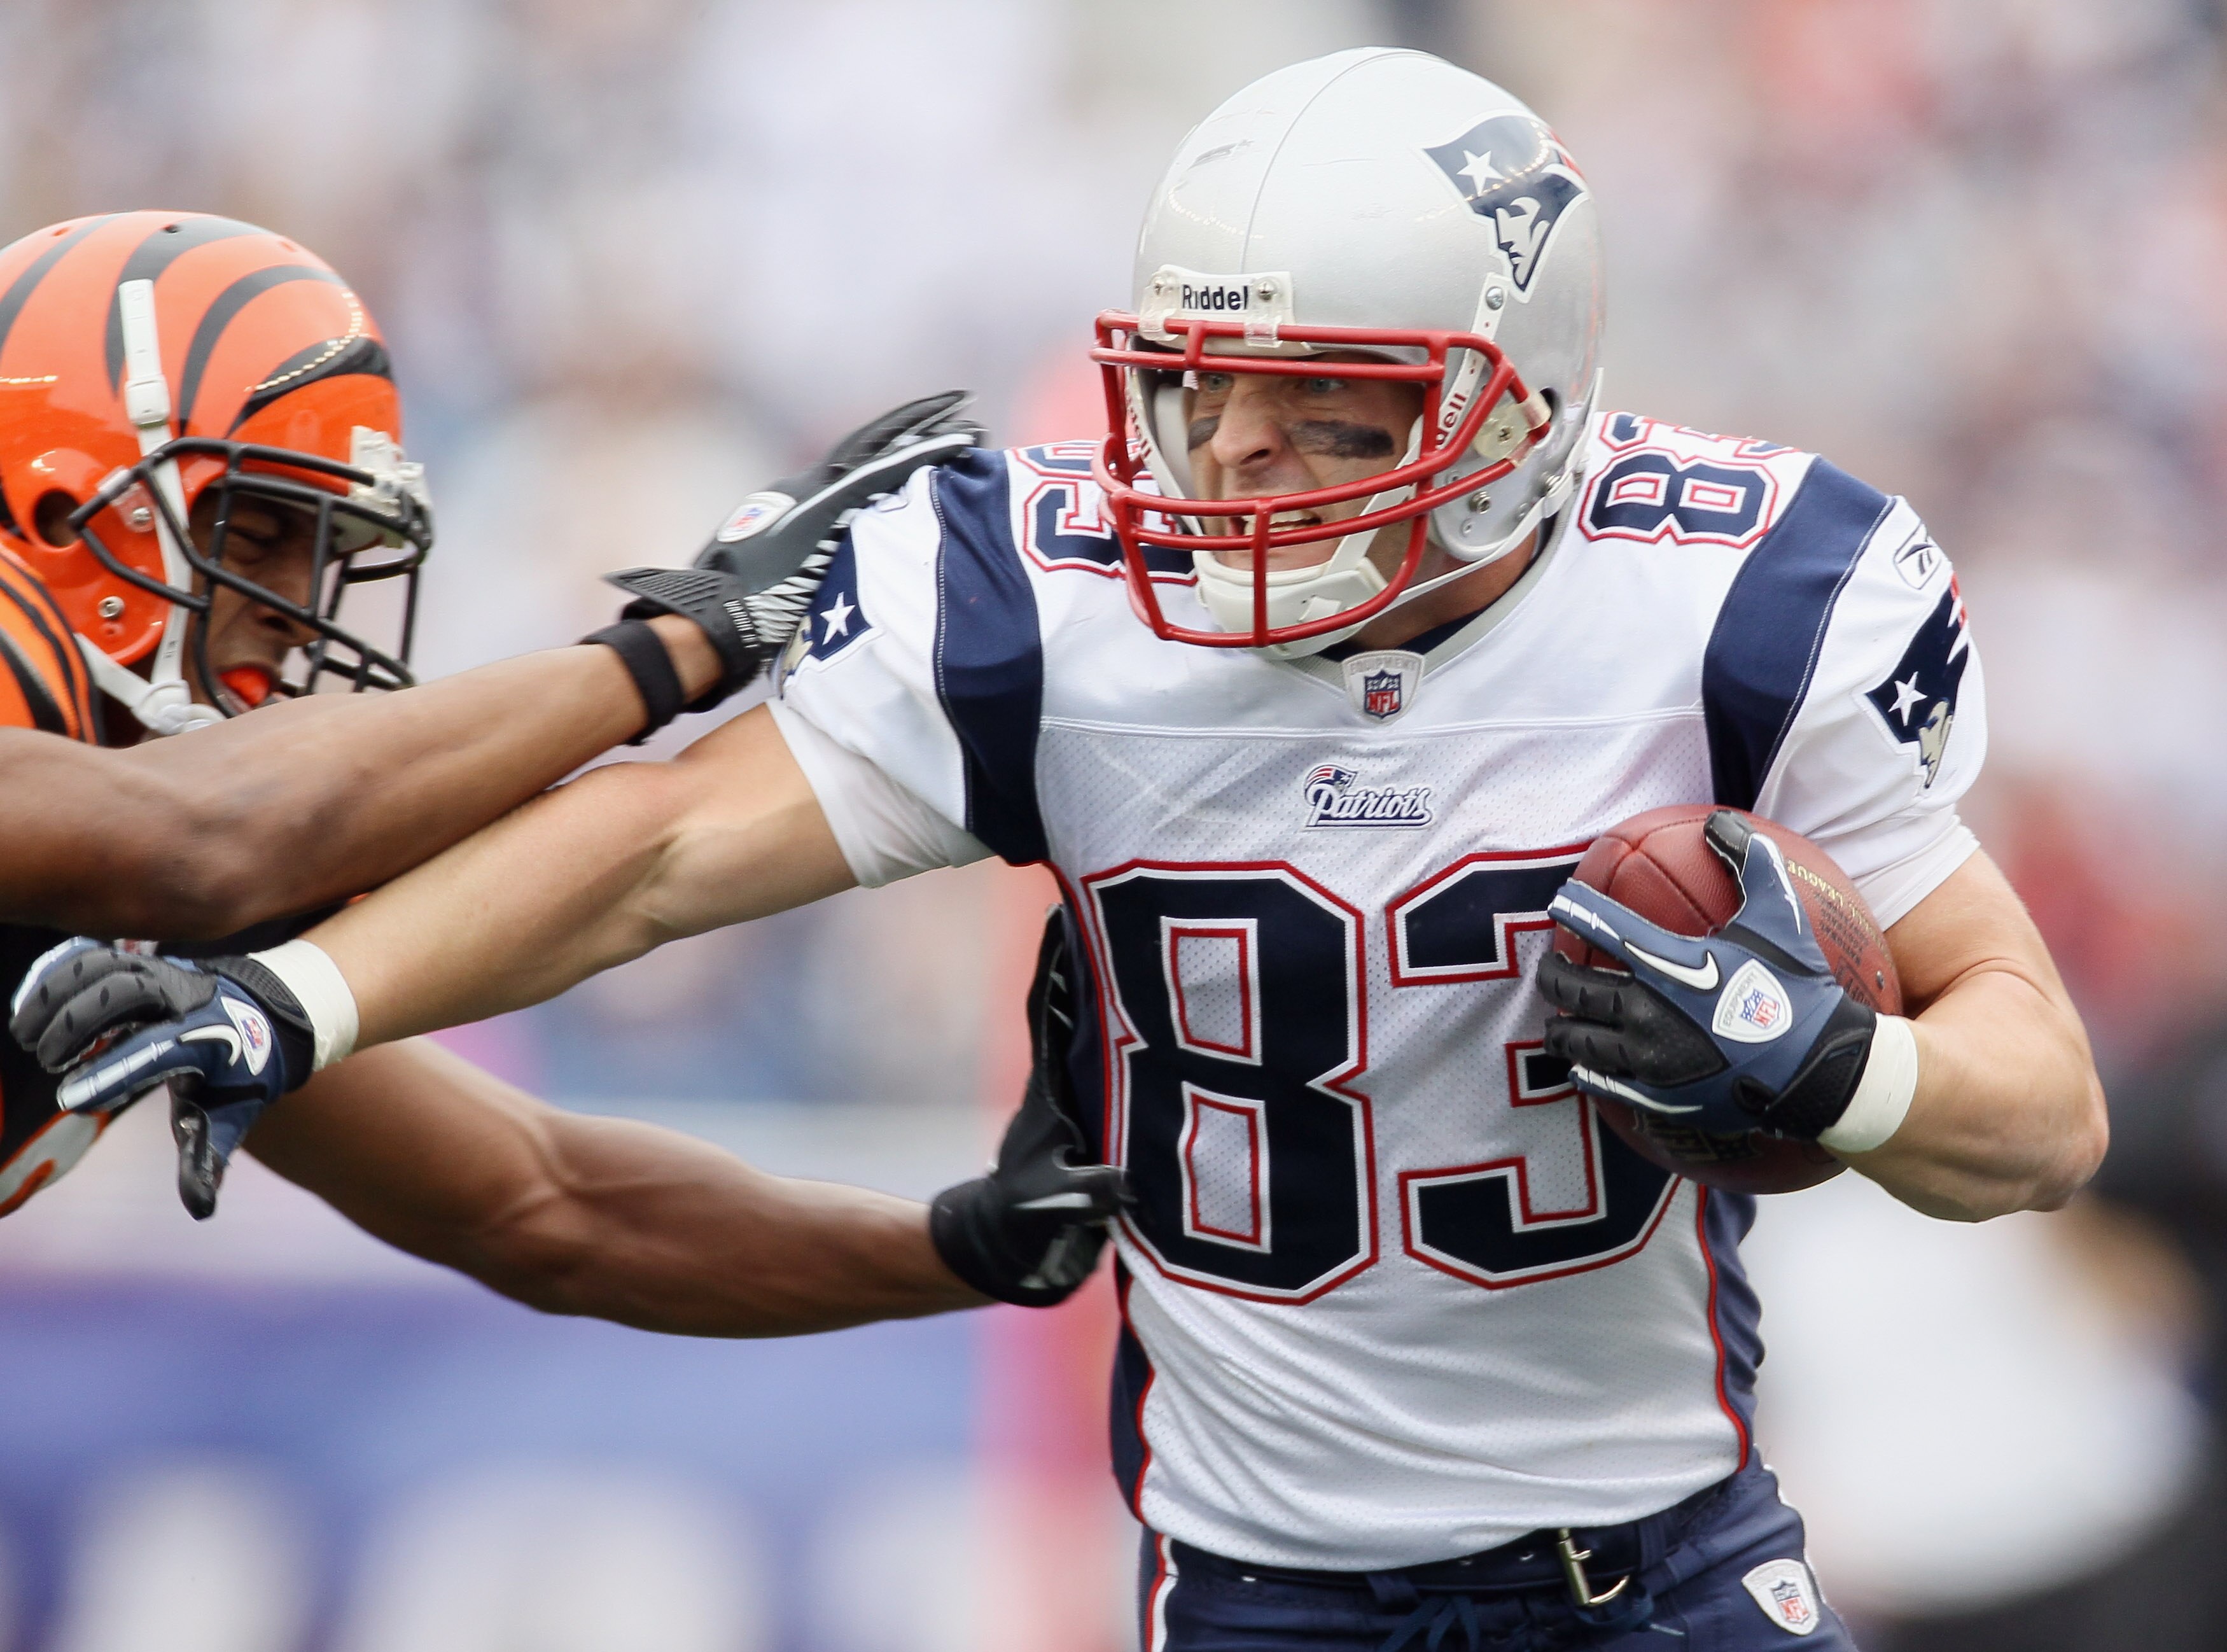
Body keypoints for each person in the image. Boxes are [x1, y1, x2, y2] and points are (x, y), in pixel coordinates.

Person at [20, 53, 2107, 1651]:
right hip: (1269, 1585)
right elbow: (528, 853)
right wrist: (653, 665)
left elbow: (542, 1199)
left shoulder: (1744, 602)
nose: (1243, 467)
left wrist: (1846, 1068)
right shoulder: (1060, 600)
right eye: (1208, 396)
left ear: (1527, 407)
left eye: (1335, 411)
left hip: (1652, 1565)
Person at [0, 208, 925, 1215]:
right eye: (260, 534)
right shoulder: (168, 825)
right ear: (58, 511)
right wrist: (685, 640)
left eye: (326, 560)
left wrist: (971, 1244)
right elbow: (202, 836)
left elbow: (543, 1201)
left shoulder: (154, 847)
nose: (301, 621)